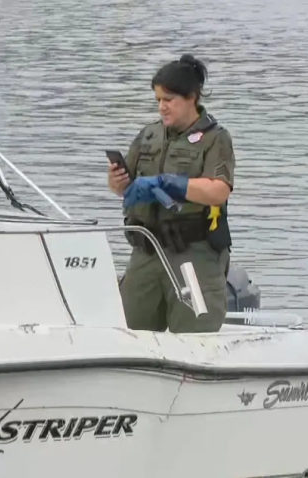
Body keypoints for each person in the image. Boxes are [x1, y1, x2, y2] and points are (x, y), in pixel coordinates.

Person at [108, 54, 235, 334]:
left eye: (169, 99)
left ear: (191, 97)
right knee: (126, 335)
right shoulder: (148, 135)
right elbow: (123, 187)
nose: (162, 107)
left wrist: (170, 184)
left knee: (195, 342)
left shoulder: (215, 138)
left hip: (193, 254)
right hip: (146, 252)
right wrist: (118, 182)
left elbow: (218, 190)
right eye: (158, 100)